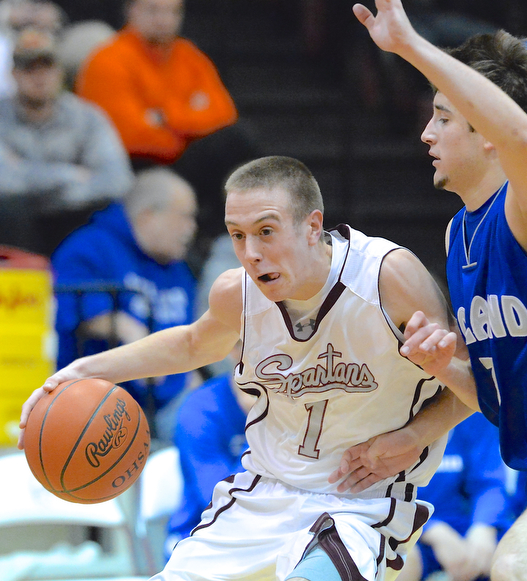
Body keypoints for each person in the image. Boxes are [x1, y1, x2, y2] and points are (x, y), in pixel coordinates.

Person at [20, 155, 477, 581]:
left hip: (360, 503)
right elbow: (192, 343)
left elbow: (478, 386)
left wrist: (416, 436)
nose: (250, 251)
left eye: (266, 231)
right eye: (237, 235)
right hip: (263, 495)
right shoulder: (236, 293)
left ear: (312, 226)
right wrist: (84, 372)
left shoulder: (389, 278)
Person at [330, 2, 527, 581]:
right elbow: (505, 402)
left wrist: (409, 46)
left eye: (443, 117)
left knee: (519, 568)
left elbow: (522, 134)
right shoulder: (460, 235)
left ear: (487, 135)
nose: (426, 133)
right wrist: (437, 382)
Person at [74, 0, 258, 260]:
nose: (163, 19)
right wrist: (190, 116)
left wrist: (165, 117)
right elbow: (130, 136)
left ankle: (218, 234)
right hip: (135, 168)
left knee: (237, 140)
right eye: (153, 10)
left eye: (172, 11)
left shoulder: (188, 56)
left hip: (183, 160)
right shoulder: (108, 58)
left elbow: (224, 114)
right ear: (131, 11)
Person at [52, 167, 198, 442]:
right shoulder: (89, 247)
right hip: (97, 407)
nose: (192, 228)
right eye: (185, 217)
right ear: (148, 215)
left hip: (167, 401)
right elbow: (77, 309)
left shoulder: (180, 270)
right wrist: (136, 340)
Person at [0, 26, 133, 255]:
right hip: (13, 226)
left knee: (109, 210)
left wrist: (28, 176)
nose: (39, 76)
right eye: (29, 68)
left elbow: (117, 180)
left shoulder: (88, 117)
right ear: (13, 74)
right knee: (10, 208)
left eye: (47, 66)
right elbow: (5, 182)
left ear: (60, 71)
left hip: (72, 219)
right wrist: (70, 174)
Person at [396, 413, 513, 581]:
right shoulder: (388, 415)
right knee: (398, 561)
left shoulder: (472, 412)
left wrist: (484, 527)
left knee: (512, 557)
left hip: (466, 526)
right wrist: (431, 530)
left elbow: (489, 484)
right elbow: (375, 495)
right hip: (406, 526)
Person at [164, 359, 255, 560]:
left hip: (270, 530)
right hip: (200, 536)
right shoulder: (200, 408)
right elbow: (221, 502)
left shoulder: (299, 405)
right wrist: (261, 425)